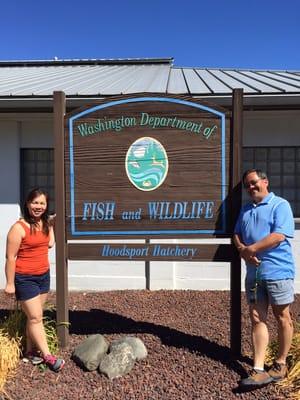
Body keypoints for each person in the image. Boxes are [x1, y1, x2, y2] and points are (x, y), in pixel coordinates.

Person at [233, 169, 295, 388]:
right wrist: (242, 249)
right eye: (247, 185)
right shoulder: (246, 209)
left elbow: (279, 236)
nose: (251, 187)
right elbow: (237, 233)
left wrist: (251, 249)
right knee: (257, 318)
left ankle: (279, 364)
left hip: (278, 271)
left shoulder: (281, 205)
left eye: (253, 183)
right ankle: (258, 368)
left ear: (265, 182)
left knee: (282, 317)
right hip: (254, 274)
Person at [4, 188, 65, 372]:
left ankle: (30, 352)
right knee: (36, 317)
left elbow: (49, 244)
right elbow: (10, 258)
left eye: (42, 203)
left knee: (33, 318)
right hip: (25, 279)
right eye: (35, 203)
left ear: (46, 206)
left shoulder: (44, 223)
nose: (38, 206)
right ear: (28, 204)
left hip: (43, 276)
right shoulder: (18, 228)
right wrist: (10, 283)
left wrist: (52, 225)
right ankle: (48, 357)